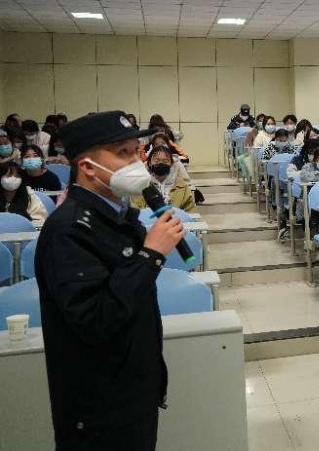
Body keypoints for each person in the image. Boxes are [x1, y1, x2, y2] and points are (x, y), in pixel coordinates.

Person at [35, 110, 185, 450]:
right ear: (87, 167)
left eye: (136, 151)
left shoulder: (119, 216)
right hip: (99, 408)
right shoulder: (69, 230)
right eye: (122, 153)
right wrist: (151, 254)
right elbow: (96, 319)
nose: (137, 162)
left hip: (133, 391)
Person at [132, 146, 196, 212]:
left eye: (165, 161)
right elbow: (136, 210)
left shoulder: (181, 185)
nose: (161, 163)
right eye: (157, 161)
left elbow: (190, 210)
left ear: (171, 164)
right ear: (150, 163)